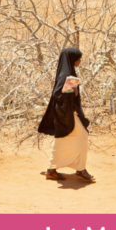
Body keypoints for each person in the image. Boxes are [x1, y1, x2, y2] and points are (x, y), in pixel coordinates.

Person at [38, 47, 95, 183]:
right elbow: (57, 94)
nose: (79, 61)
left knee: (63, 138)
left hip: (67, 111)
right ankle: (80, 170)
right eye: (78, 59)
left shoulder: (68, 72)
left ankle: (52, 170)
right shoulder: (65, 75)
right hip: (65, 112)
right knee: (81, 136)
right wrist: (73, 92)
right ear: (71, 60)